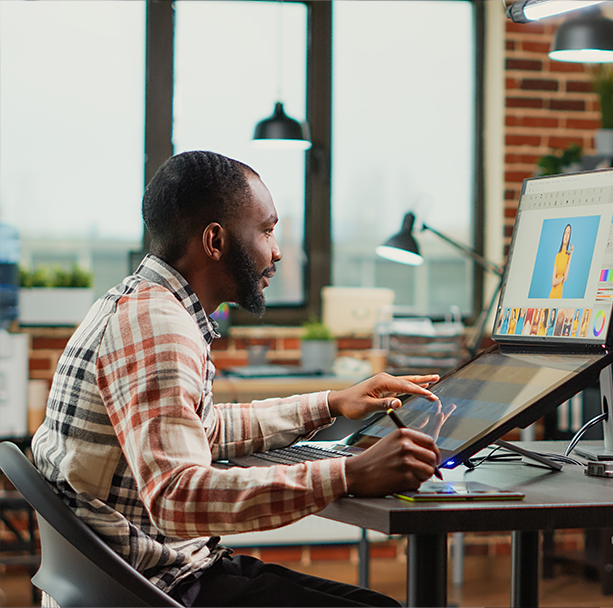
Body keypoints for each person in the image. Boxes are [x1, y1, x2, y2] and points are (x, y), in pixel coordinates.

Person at [31, 151, 443, 607]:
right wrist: (349, 473)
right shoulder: (159, 328)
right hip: (156, 589)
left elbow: (203, 430)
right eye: (267, 231)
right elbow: (177, 497)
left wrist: (331, 403)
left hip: (145, 573)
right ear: (215, 240)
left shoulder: (137, 303)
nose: (277, 250)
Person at [550, 224, 574, 298]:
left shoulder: (568, 255)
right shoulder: (558, 255)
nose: (566, 235)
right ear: (563, 235)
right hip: (552, 294)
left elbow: (565, 278)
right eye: (565, 233)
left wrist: (571, 253)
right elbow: (553, 282)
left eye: (568, 233)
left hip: (559, 294)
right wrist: (561, 278)